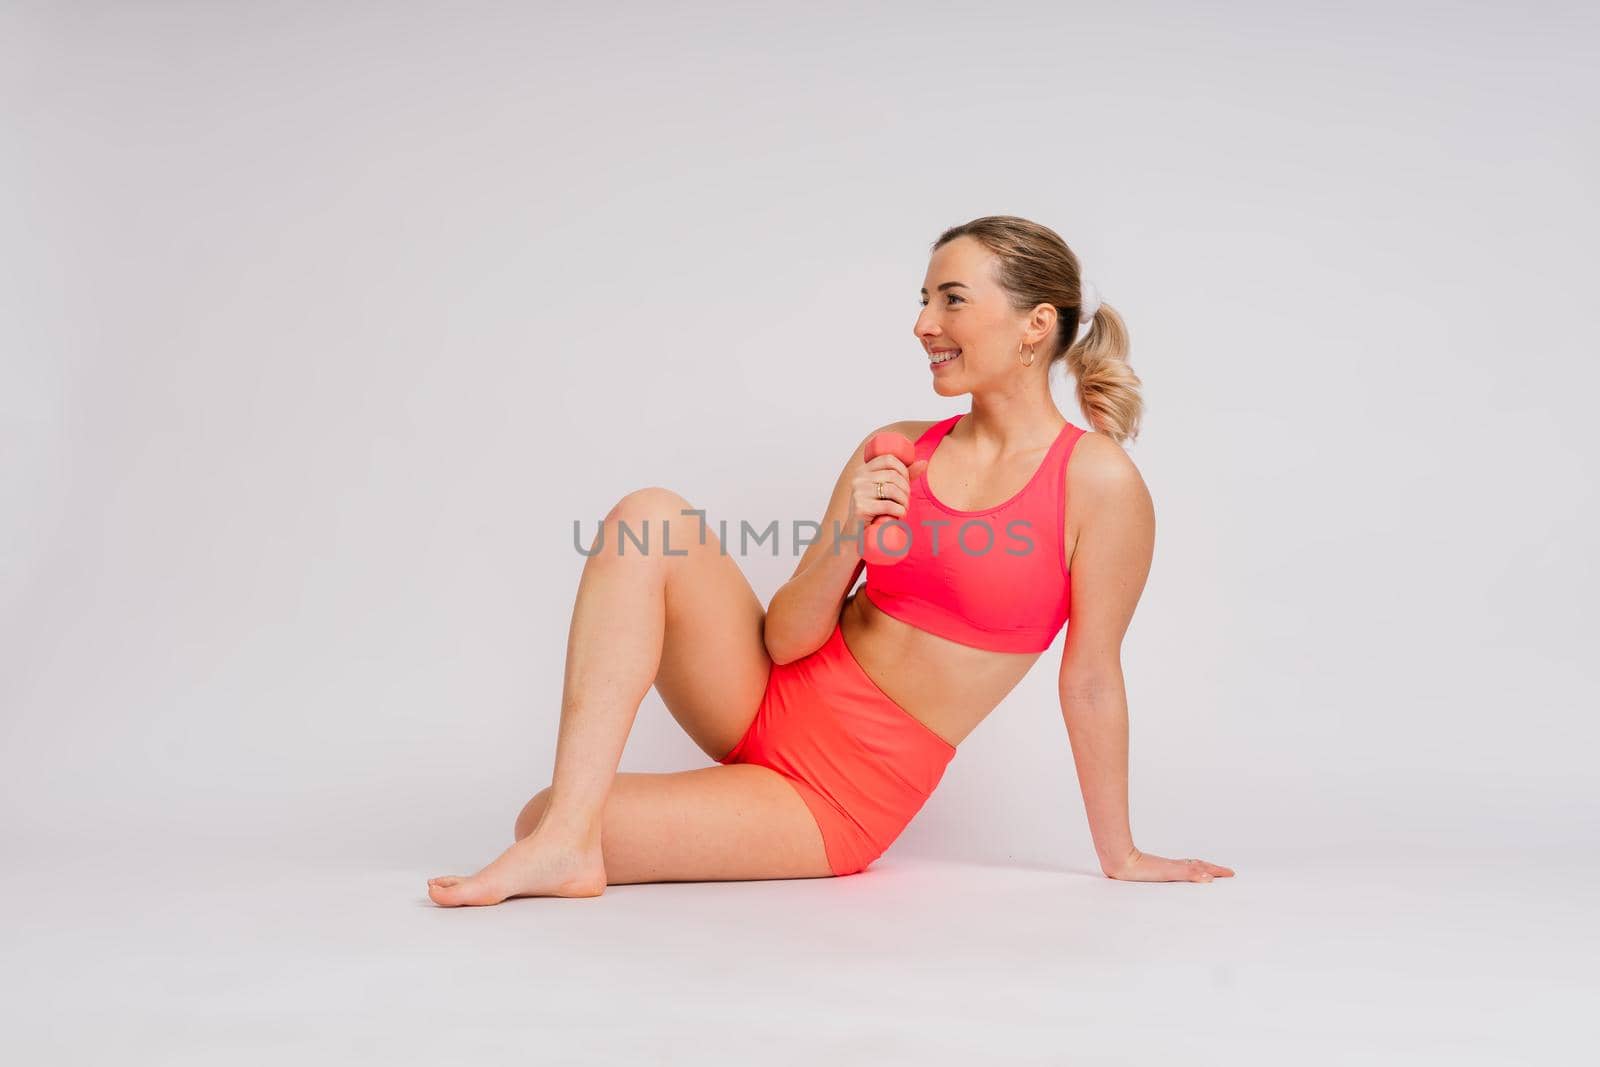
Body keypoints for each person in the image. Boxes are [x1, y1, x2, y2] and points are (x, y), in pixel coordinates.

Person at [427, 215, 1233, 906]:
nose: (924, 322)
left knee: (535, 811)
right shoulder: (897, 449)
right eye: (924, 299)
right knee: (649, 517)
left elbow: (1090, 677)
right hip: (765, 695)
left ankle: (559, 833)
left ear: (1034, 325)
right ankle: (566, 844)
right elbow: (785, 639)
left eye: (952, 299)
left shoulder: (1097, 481)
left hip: (835, 793)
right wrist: (849, 527)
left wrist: (1120, 853)